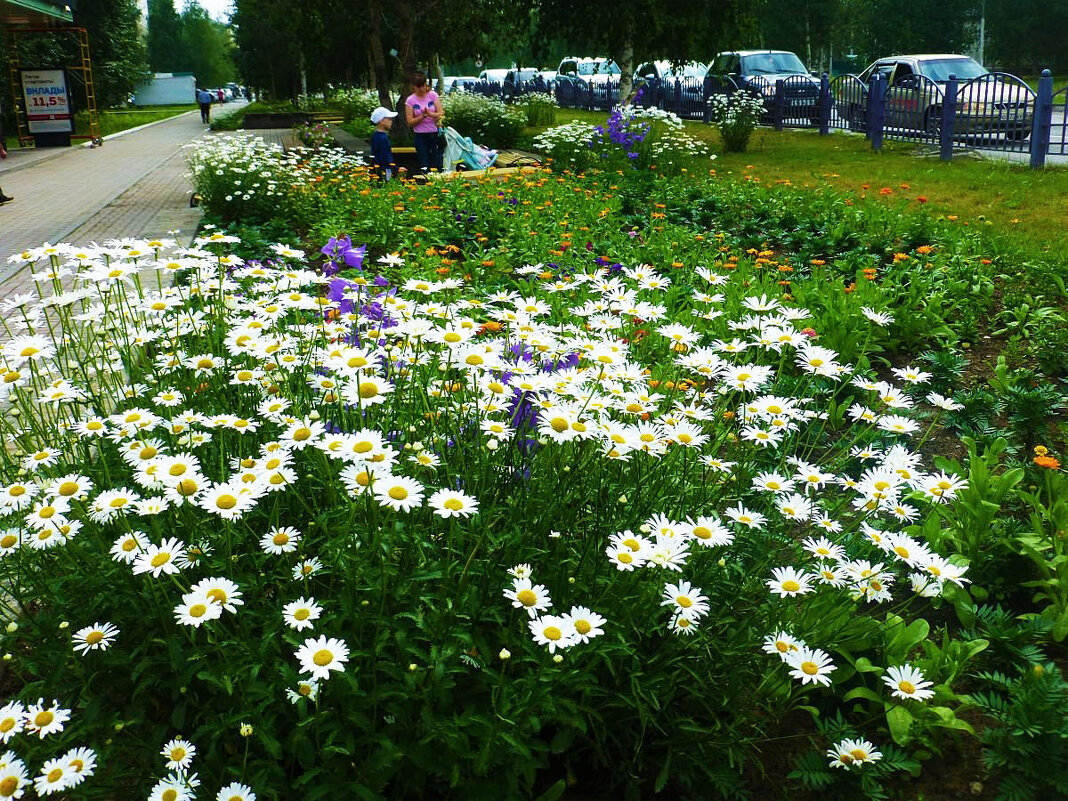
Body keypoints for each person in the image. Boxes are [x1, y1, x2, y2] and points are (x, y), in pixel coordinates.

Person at [405, 72, 444, 173]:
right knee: (424, 163)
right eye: (418, 87)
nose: (421, 89)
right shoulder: (410, 100)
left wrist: (430, 114)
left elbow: (441, 112)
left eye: (423, 86)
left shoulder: (432, 95)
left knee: (438, 161)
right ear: (414, 87)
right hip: (420, 135)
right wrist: (421, 117)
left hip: (435, 133)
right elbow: (410, 121)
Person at [369, 106, 397, 181]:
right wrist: (393, 171)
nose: (391, 121)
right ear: (381, 121)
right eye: (389, 119)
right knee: (388, 186)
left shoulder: (376, 135)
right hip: (385, 170)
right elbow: (386, 159)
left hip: (377, 169)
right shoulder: (383, 139)